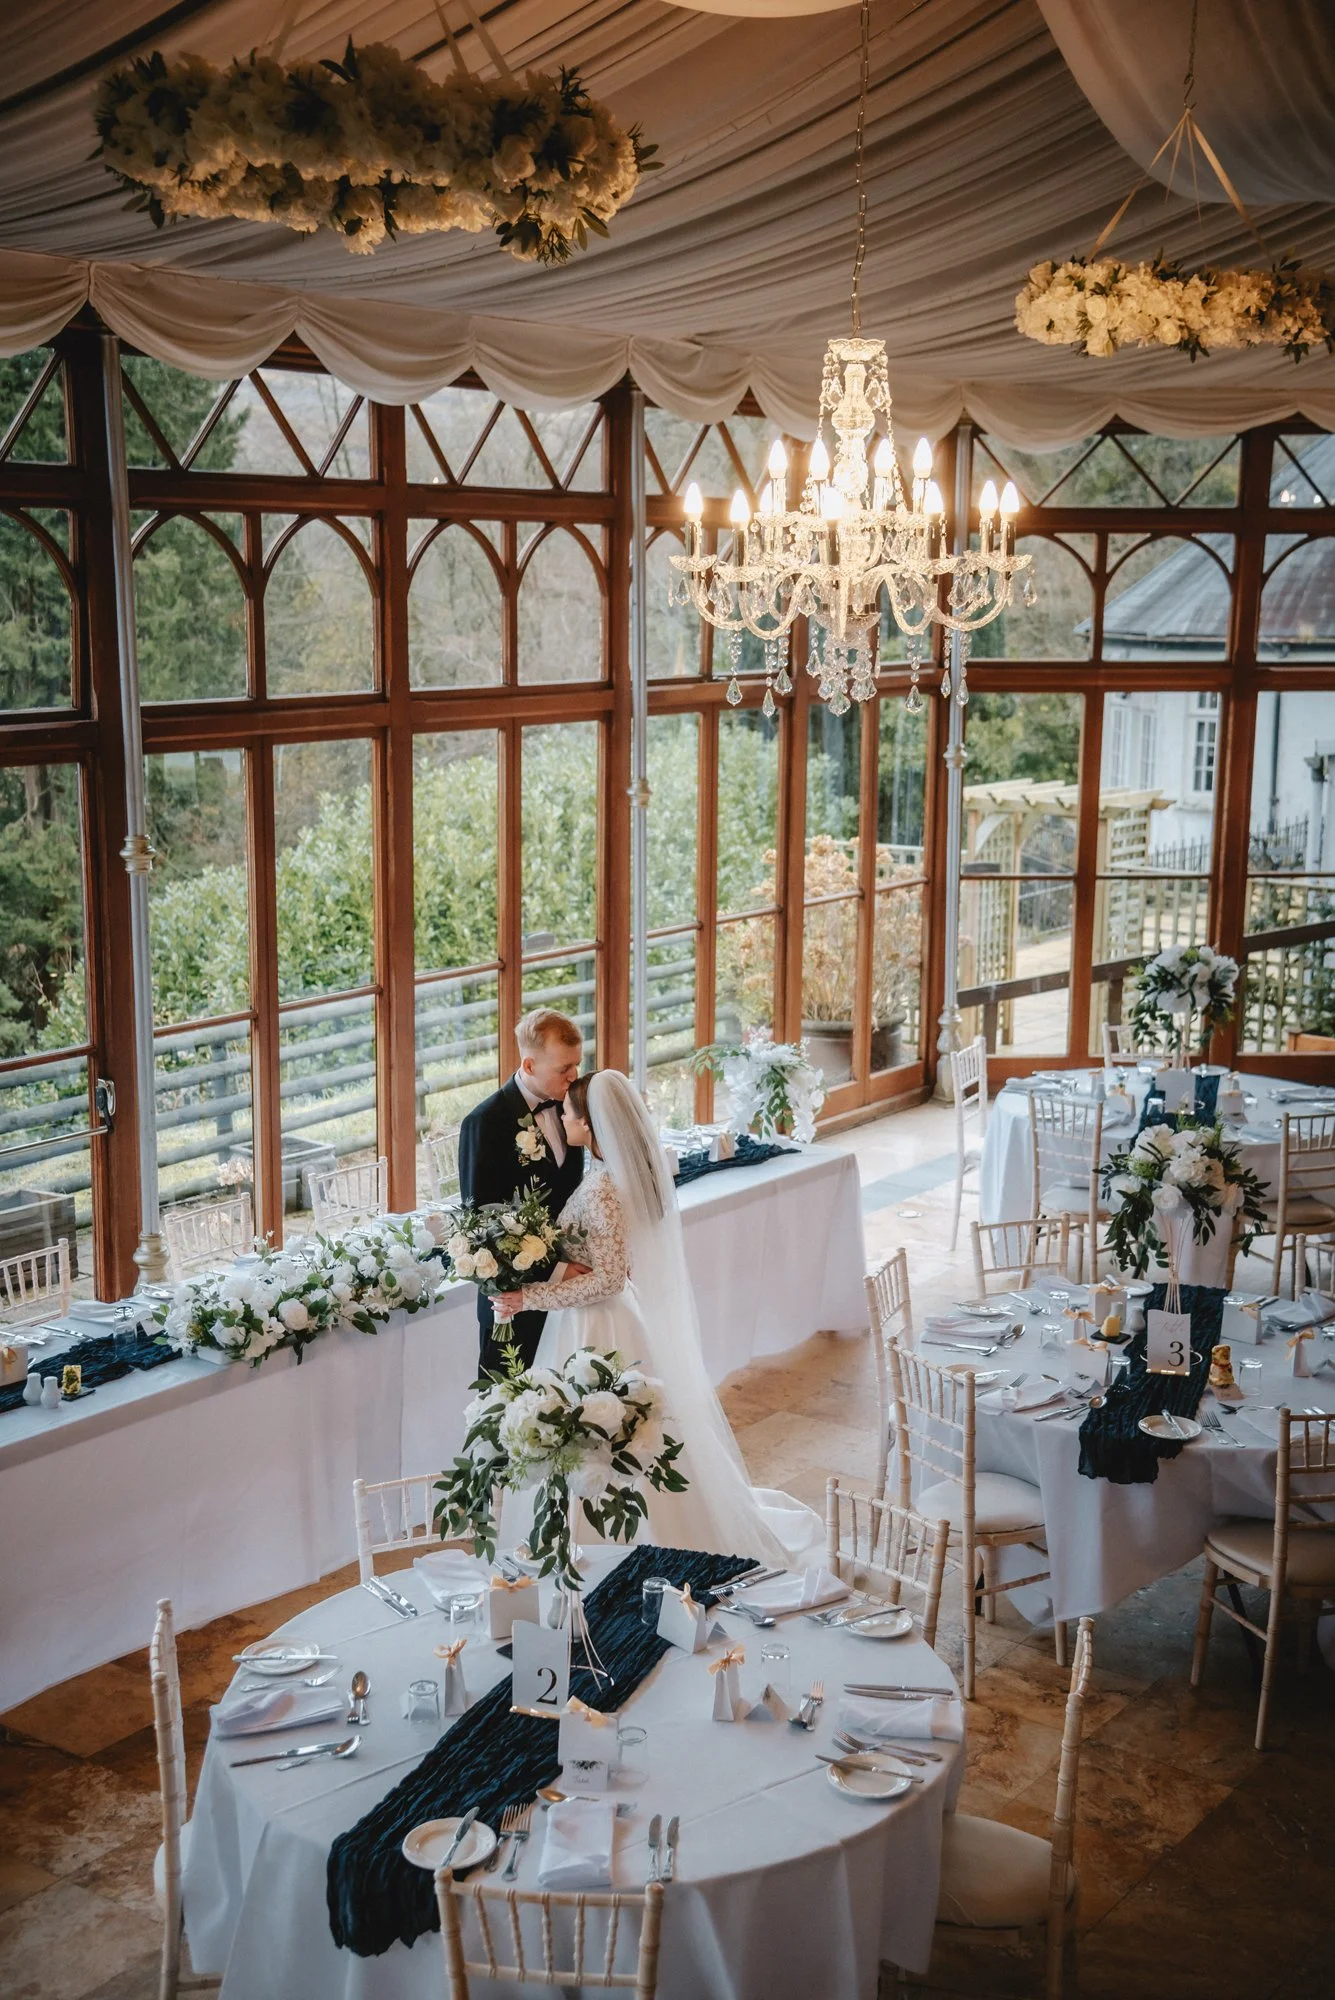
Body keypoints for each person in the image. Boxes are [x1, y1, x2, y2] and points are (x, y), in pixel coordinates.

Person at [491, 1068, 821, 1566]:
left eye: (570, 1111)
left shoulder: (602, 1188)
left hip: (598, 1322)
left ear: (591, 1125)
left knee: (606, 1432)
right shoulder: (604, 1176)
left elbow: (607, 1279)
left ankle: (614, 1546)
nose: (562, 1113)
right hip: (598, 1317)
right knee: (609, 1432)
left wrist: (527, 1297)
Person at [459, 1008, 585, 1375]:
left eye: (577, 1064)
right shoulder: (484, 1124)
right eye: (564, 1068)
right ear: (529, 1066)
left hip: (571, 1299)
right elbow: (482, 1227)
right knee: (510, 1413)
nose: (574, 1076)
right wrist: (559, 1271)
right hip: (514, 1301)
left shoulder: (572, 1105)